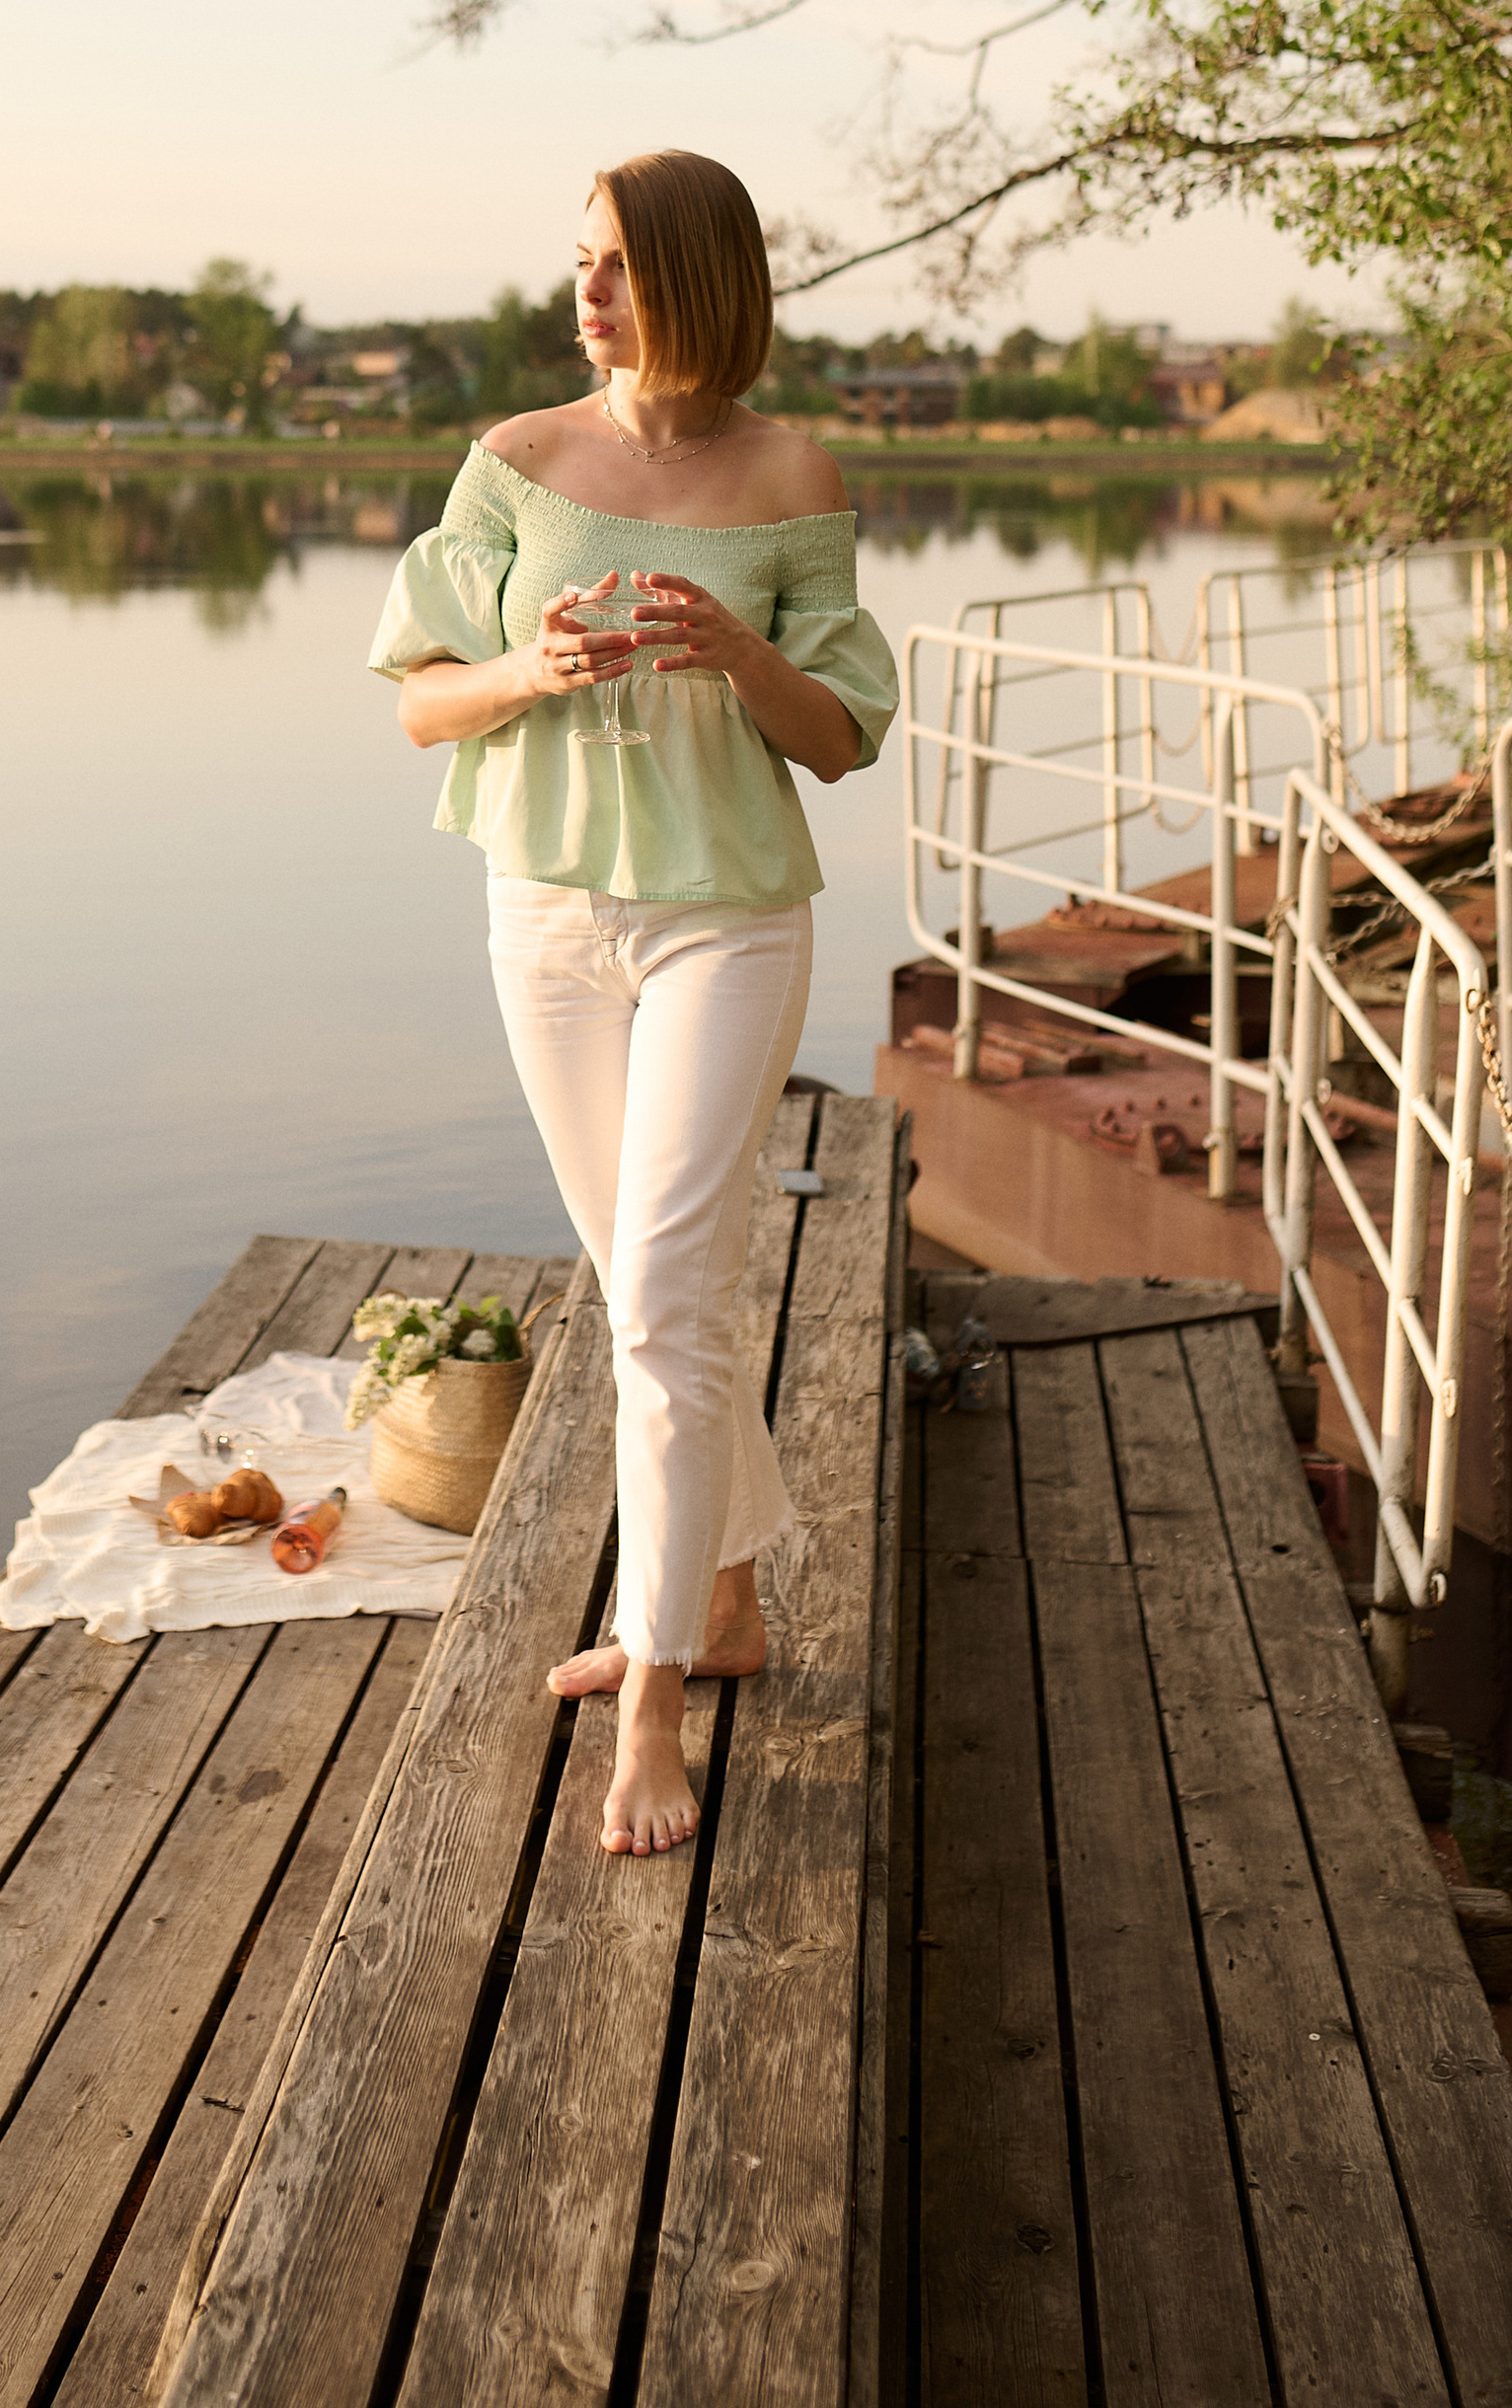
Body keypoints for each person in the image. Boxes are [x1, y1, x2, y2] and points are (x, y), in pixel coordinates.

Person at [368, 150, 898, 1857]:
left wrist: (733, 653)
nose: (587, 293)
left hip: (726, 930)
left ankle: (657, 1695)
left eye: (621, 266)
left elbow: (842, 736)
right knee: (645, 1290)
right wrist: (537, 667)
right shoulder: (518, 465)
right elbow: (420, 709)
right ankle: (726, 1600)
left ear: (700, 280)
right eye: (578, 261)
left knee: (667, 1299)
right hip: (547, 923)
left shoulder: (792, 476)